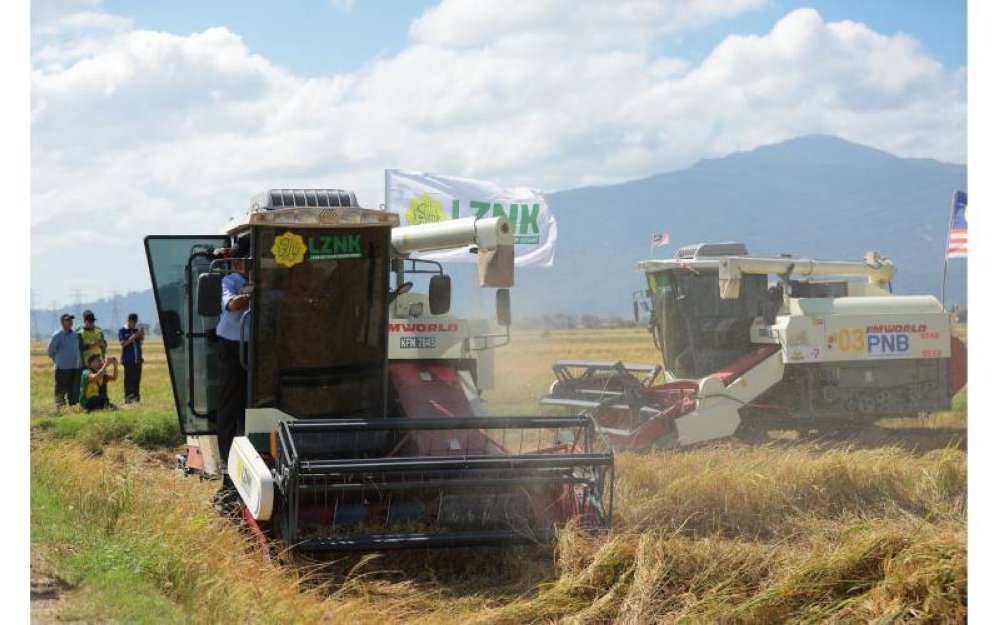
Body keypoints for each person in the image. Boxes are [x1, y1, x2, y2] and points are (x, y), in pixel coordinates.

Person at [213, 242, 250, 511]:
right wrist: (255, 292)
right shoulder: (231, 281)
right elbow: (233, 305)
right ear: (238, 262)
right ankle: (228, 464)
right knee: (230, 406)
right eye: (250, 260)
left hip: (261, 346)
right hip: (232, 347)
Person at [47, 313, 82, 410]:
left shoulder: (75, 334)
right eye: (68, 320)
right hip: (62, 367)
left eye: (71, 320)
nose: (70, 322)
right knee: (60, 389)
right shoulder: (57, 335)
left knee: (73, 389)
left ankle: (73, 407)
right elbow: (50, 351)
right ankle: (60, 408)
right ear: (62, 322)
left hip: (74, 366)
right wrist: (57, 360)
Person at [118, 313, 145, 403]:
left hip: (138, 360)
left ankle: (136, 398)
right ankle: (128, 399)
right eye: (133, 322)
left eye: (136, 322)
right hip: (128, 360)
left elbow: (140, 343)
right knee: (129, 380)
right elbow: (123, 344)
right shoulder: (122, 330)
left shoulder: (136, 330)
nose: (134, 324)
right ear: (129, 321)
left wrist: (141, 336)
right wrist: (133, 337)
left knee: (137, 380)